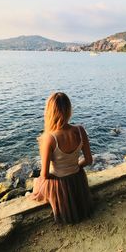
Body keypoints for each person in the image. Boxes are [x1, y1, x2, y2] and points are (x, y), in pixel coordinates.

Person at [30, 92, 93, 223]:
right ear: (69, 110)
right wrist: (76, 167)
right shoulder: (80, 130)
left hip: (59, 184)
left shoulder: (49, 138)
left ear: (49, 112)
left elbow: (45, 174)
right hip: (77, 179)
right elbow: (88, 160)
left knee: (37, 183)